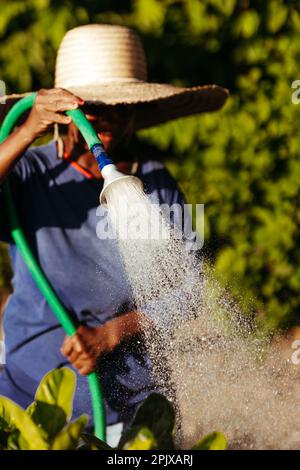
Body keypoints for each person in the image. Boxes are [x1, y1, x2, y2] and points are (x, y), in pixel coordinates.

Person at [0, 24, 228, 445]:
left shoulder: (153, 182)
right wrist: (27, 129)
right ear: (65, 112)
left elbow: (189, 288)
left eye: (123, 106)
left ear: (138, 112)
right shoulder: (31, 175)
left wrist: (111, 333)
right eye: (94, 106)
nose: (108, 118)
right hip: (32, 406)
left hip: (132, 404)